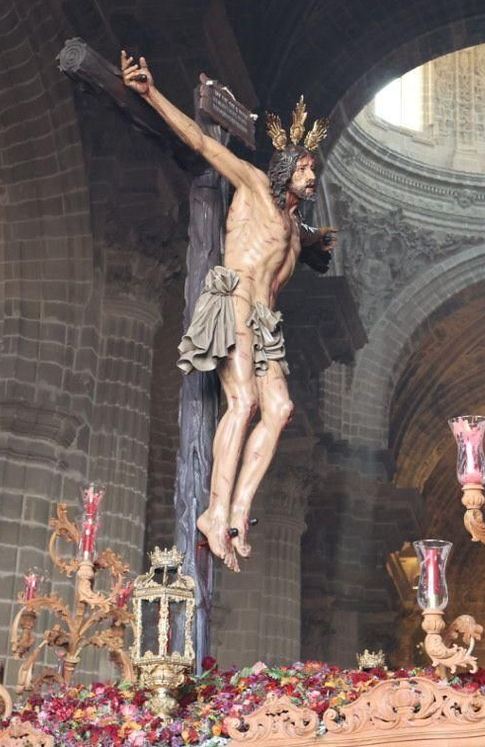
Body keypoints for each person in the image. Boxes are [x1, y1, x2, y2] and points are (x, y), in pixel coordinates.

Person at [121, 51, 336, 570]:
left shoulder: (293, 228)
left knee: (279, 410)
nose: (313, 177)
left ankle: (239, 512)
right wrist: (150, 93)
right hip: (235, 299)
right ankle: (214, 512)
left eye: (314, 170)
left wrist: (314, 245)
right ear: (286, 169)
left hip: (266, 321)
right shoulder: (255, 185)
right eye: (307, 169)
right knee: (241, 403)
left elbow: (298, 244)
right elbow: (200, 142)